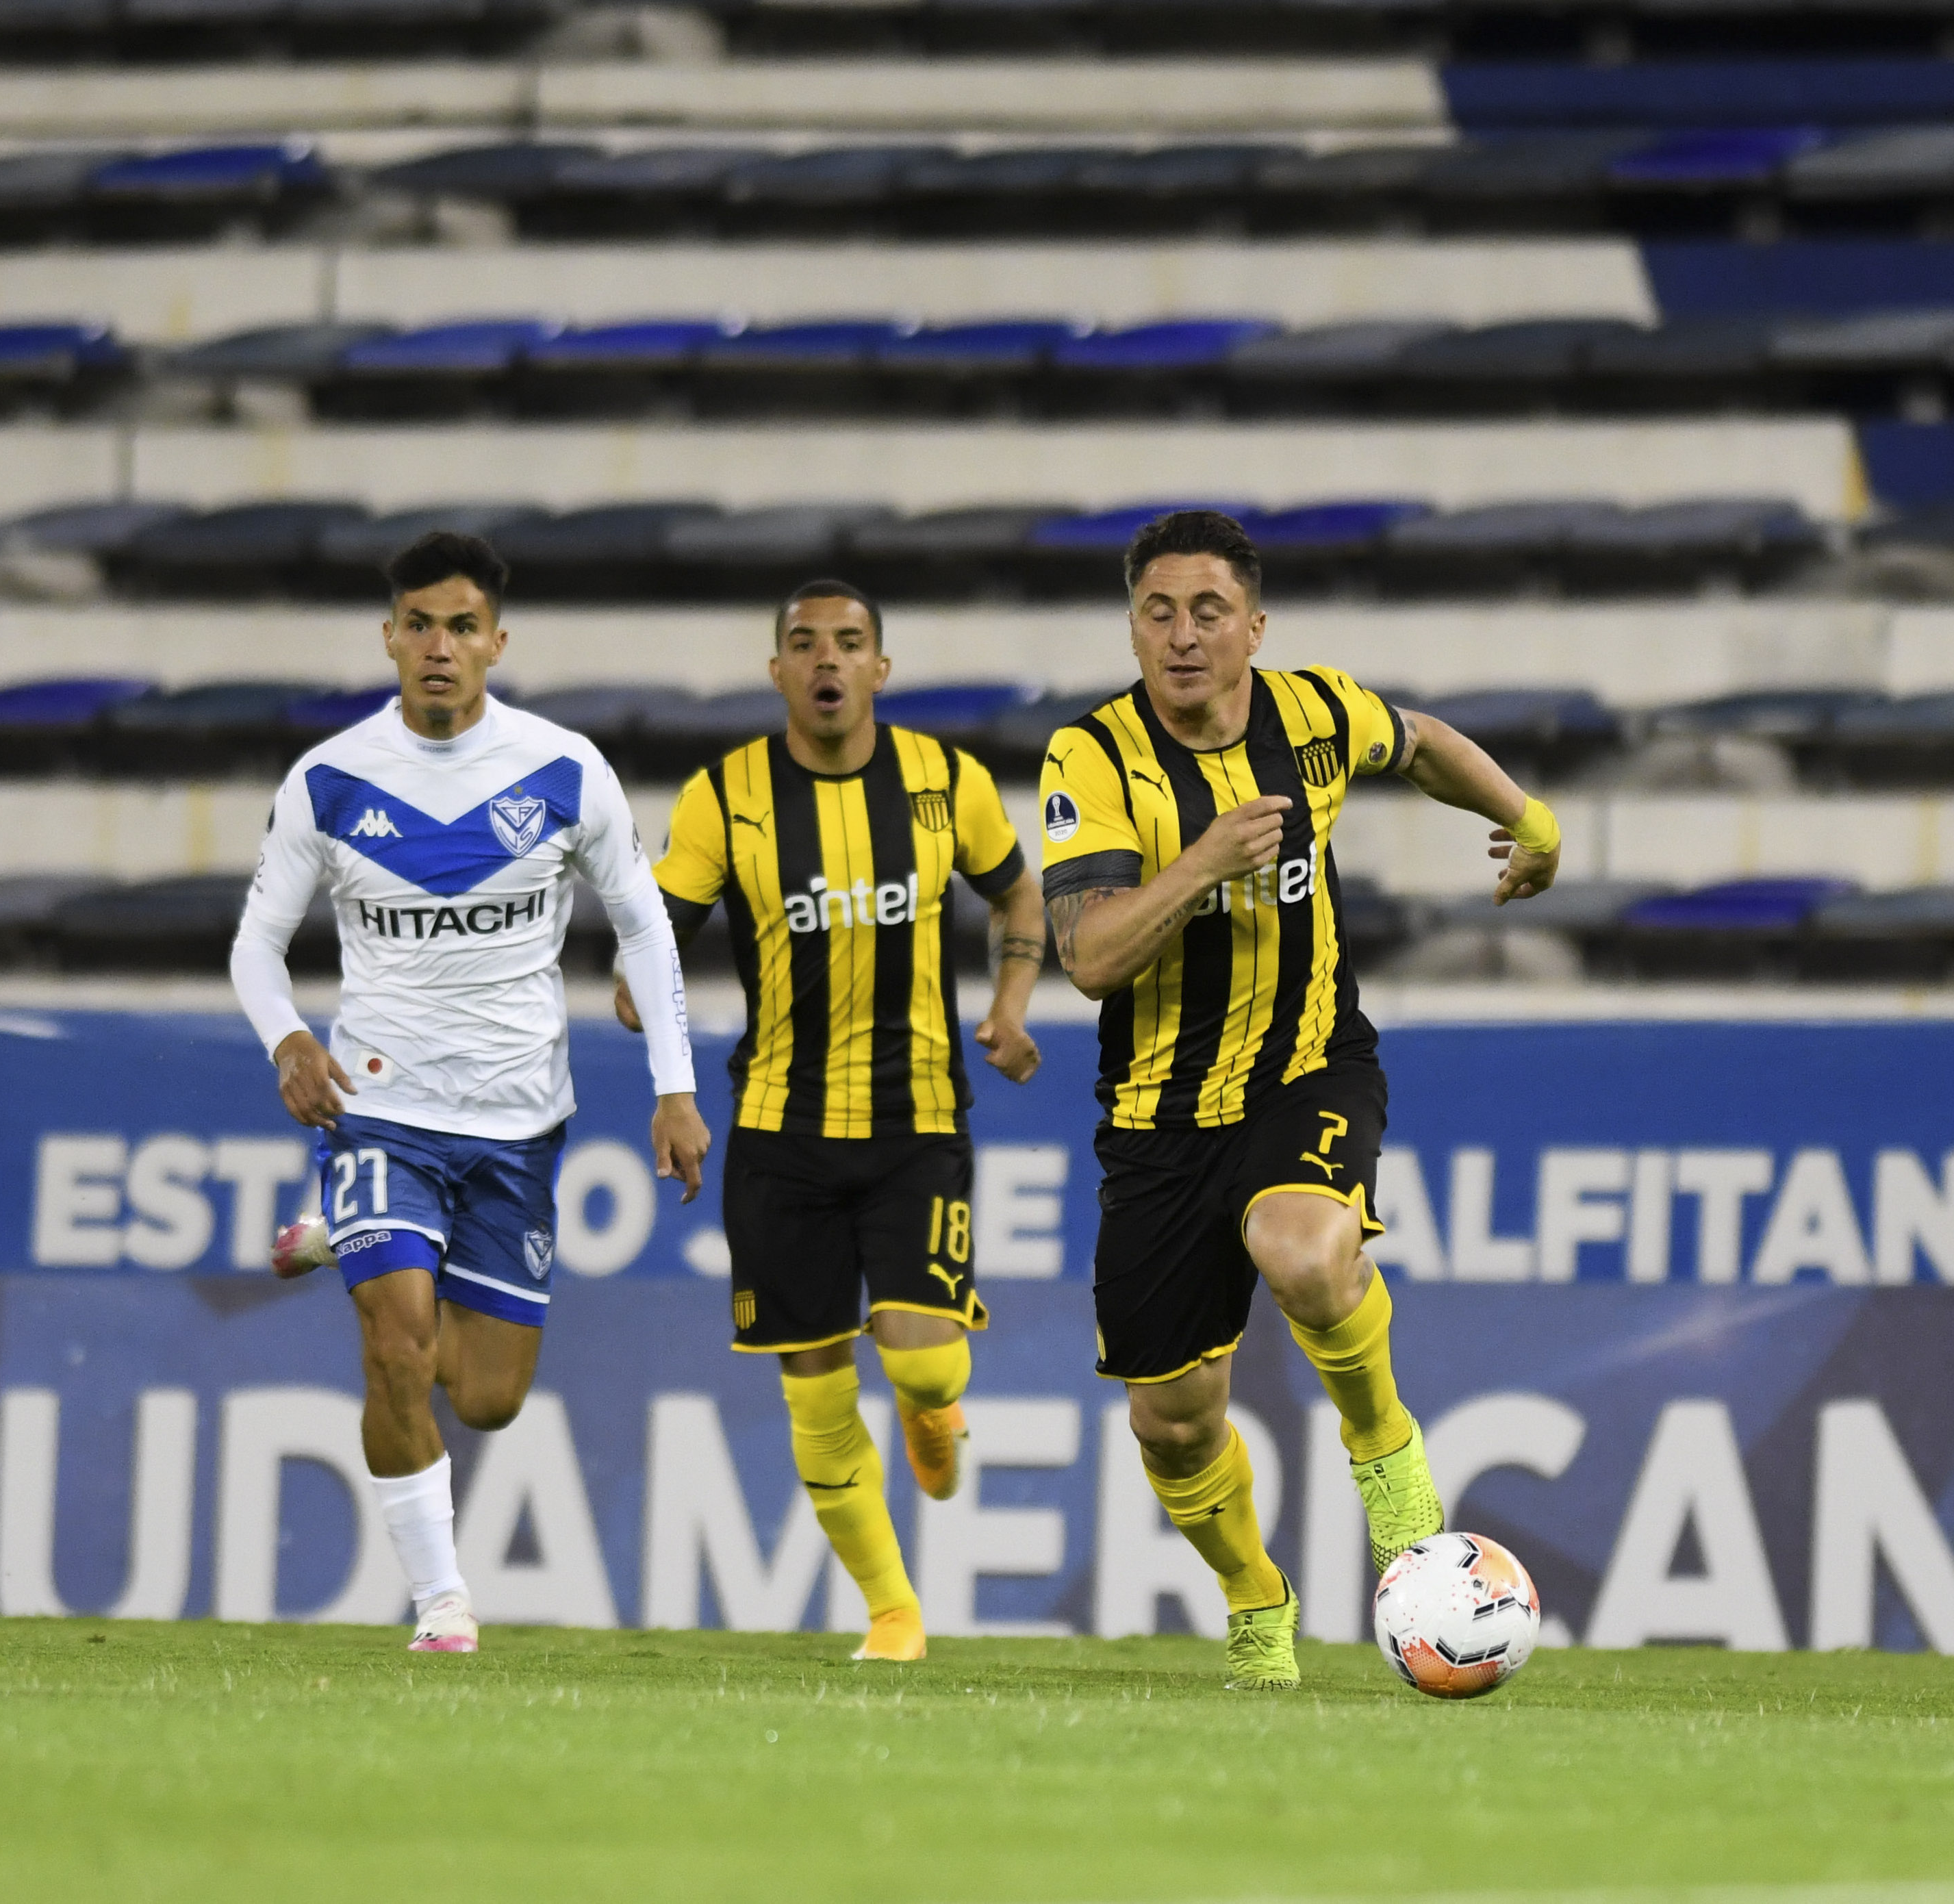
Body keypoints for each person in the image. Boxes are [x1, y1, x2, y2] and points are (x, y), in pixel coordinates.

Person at [1035, 509, 1561, 1690]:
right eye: (1157, 612)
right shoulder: (1092, 758)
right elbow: (1090, 957)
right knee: (1172, 1420)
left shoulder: (1313, 713)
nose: (1181, 636)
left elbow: (1419, 741)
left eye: (1207, 611)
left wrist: (1526, 818)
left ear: (1254, 627)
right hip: (1159, 1116)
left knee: (1305, 1248)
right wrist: (1203, 863)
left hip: (1307, 1059)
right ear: (1132, 627)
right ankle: (1254, 1597)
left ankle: (1386, 1455)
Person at [231, 529, 708, 1655]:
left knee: (487, 1396)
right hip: (379, 1106)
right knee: (397, 1346)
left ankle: (341, 1237)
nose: (439, 646)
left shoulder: (562, 769)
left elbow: (643, 924)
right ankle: (441, 1598)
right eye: (419, 624)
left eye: (461, 626)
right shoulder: (332, 780)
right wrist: (289, 1038)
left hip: (516, 1122)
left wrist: (673, 1087)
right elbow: (257, 945)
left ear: (497, 640)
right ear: (389, 637)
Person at [623, 578, 1045, 1664]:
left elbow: (1017, 892)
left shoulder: (945, 782)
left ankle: (930, 1406)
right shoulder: (725, 796)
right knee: (812, 1390)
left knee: (919, 1367)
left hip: (916, 1120)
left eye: (848, 643)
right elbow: (653, 939)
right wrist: (652, 1024)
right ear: (777, 671)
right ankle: (892, 1613)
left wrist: (1008, 1004)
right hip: (777, 1134)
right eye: (804, 644)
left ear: (879, 668)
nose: (826, 660)